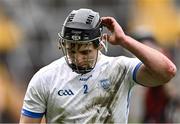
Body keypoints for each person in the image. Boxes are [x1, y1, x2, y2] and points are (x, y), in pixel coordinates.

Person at [19, 8, 176, 123]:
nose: (78, 59)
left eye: (85, 52)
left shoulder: (119, 68)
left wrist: (124, 41)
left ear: (100, 44)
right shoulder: (44, 78)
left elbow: (167, 71)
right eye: (71, 51)